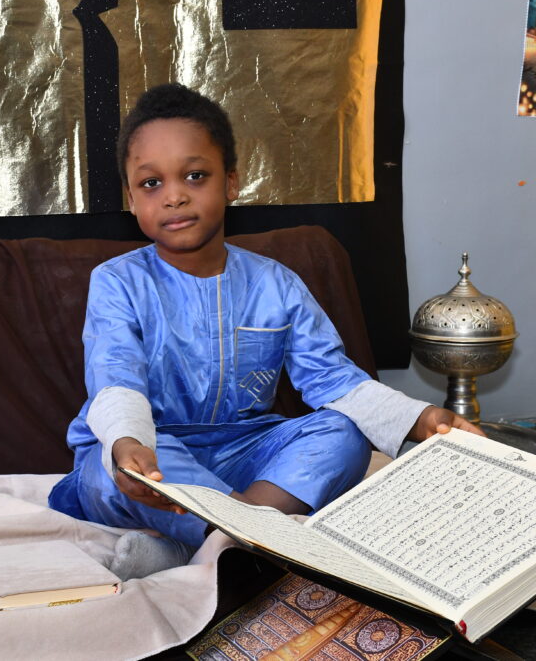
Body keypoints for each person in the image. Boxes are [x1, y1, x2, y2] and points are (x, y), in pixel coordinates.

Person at [48, 83, 482, 579]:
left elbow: (333, 380)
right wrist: (127, 443)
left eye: (195, 175)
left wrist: (421, 417)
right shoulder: (117, 281)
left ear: (231, 183)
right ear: (130, 198)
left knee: (343, 434)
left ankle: (215, 543)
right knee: (109, 470)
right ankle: (248, 539)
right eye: (151, 183)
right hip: (155, 453)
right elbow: (116, 378)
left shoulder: (276, 283)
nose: (174, 196)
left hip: (247, 451)